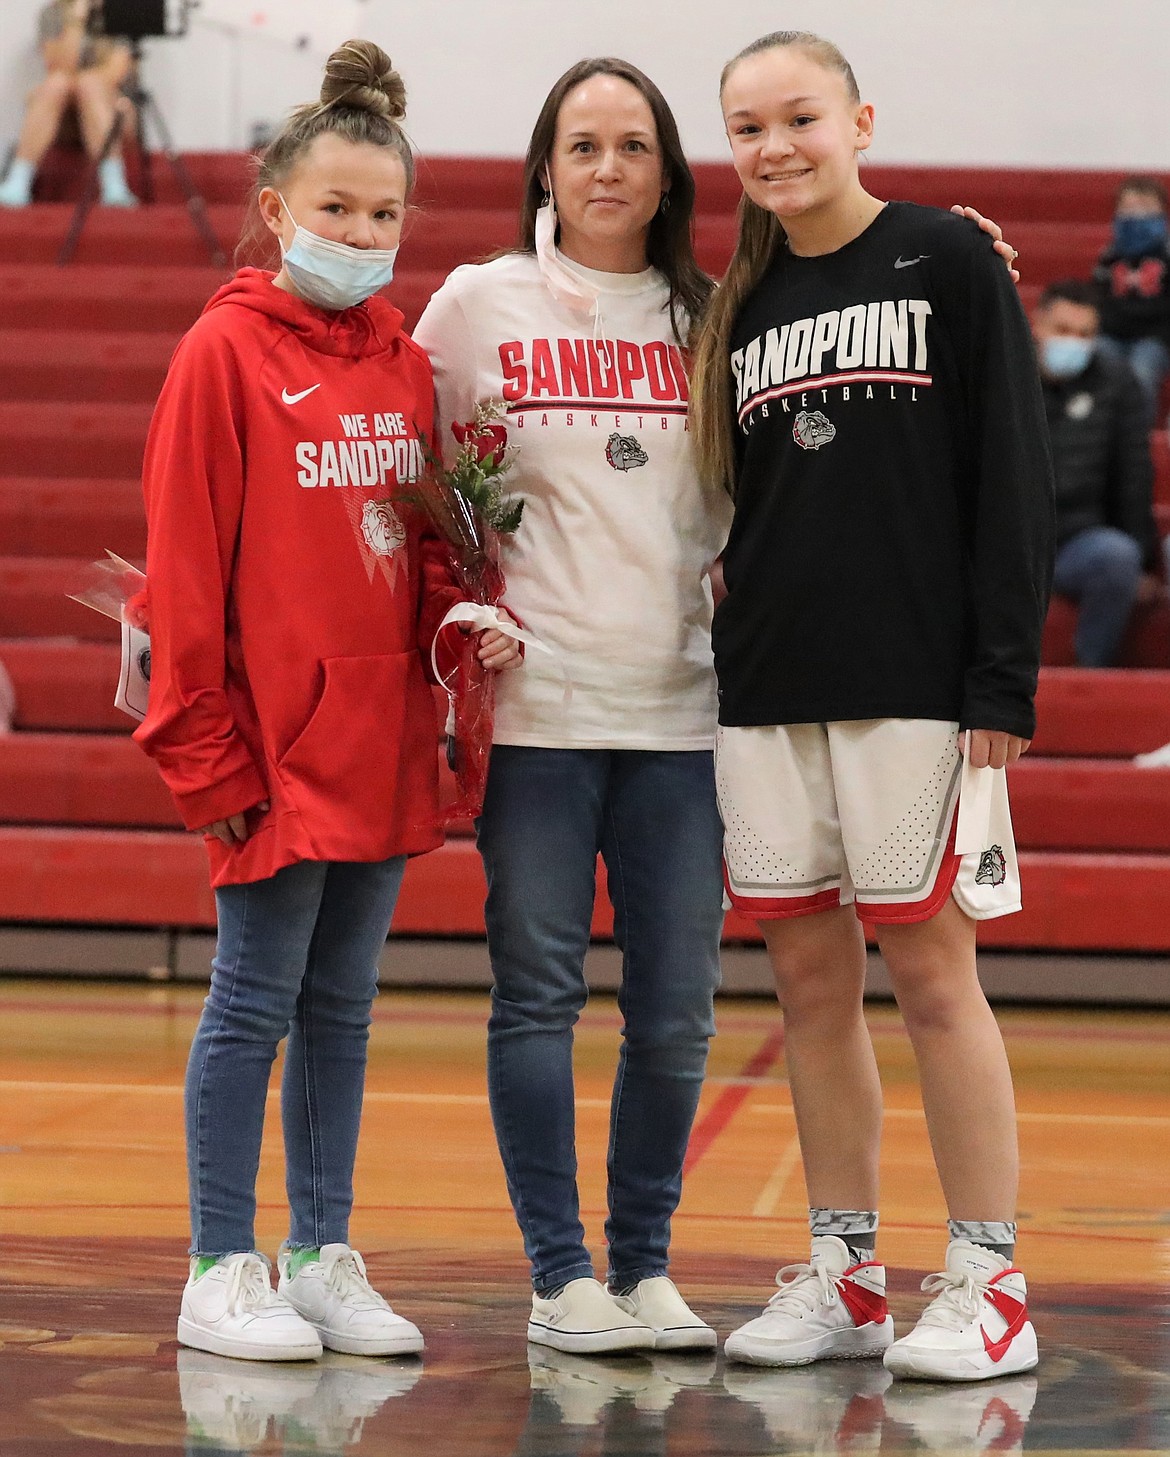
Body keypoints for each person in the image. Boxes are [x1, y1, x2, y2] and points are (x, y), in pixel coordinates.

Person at [413, 55, 1021, 1358]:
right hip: (605, 713)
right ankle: (607, 1271)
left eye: (636, 144)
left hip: (720, 706)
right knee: (598, 994)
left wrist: (999, 679)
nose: (608, 168)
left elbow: (976, 457)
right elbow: (401, 449)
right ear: (543, 164)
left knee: (762, 997)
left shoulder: (722, 303)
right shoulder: (505, 305)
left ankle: (943, 1275)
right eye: (582, 145)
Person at [133, 38, 519, 1363]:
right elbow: (183, 585)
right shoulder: (221, 357)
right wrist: (208, 758)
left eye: (383, 213)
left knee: (345, 1006)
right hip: (265, 749)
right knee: (252, 997)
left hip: (377, 741)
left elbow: (410, 545)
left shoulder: (402, 361)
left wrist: (459, 622)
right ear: (275, 210)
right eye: (334, 209)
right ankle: (215, 1262)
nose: (360, 233)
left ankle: (318, 1252)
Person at [689, 30, 1054, 1382]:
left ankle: (987, 1276)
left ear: (858, 120)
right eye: (746, 126)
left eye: (798, 117)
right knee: (803, 979)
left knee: (934, 974)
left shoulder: (947, 259)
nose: (774, 144)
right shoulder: (735, 298)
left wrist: (999, 683)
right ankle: (846, 1274)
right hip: (767, 685)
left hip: (912, 683)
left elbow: (1013, 476)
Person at [1033, 279, 1158, 667]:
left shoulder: (1118, 383)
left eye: (1085, 334)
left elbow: (1134, 475)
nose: (1074, 342)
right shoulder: (1001, 372)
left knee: (1117, 556)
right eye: (1064, 330)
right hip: (1006, 543)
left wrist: (1146, 559)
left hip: (1076, 540)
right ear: (1037, 324)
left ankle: (1091, 675)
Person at [0, 0, 137, 208]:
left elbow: (115, 73)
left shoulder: (122, 13)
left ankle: (114, 185)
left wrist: (82, 83)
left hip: (113, 110)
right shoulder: (53, 14)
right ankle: (18, 181)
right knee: (55, 85)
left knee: (89, 84)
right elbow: (58, 65)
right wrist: (76, 19)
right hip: (64, 117)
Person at [1093, 176, 1170, 428]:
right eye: (1129, 207)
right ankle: (1102, 429)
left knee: (1142, 370)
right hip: (1113, 335)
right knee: (1100, 360)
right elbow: (1098, 297)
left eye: (1146, 207)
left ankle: (1137, 432)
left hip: (1155, 338)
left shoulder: (1166, 257)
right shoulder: (1110, 256)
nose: (1137, 215)